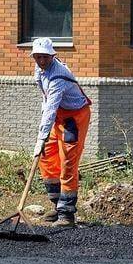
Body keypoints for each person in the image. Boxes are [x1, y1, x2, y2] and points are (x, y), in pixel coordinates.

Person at [31, 38, 91, 227]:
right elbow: (45, 99)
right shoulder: (40, 69)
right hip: (58, 116)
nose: (41, 61)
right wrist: (43, 139)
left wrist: (40, 137)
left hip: (74, 118)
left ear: (52, 56)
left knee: (68, 162)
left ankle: (66, 214)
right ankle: (57, 205)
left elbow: (51, 107)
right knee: (47, 157)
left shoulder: (58, 77)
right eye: (37, 57)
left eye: (45, 57)